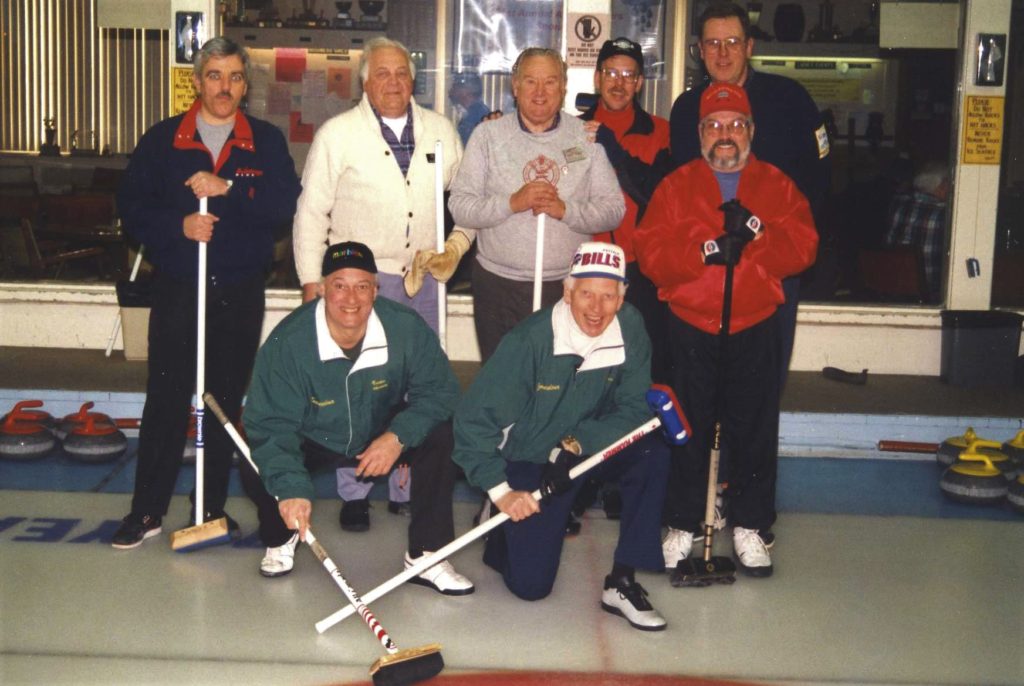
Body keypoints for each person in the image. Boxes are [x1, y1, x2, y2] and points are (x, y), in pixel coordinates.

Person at [111, 37, 301, 549]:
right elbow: (132, 208)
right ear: (197, 81)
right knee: (166, 397)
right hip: (179, 286)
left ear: (245, 84)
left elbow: (284, 205)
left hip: (239, 290)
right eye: (214, 76)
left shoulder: (265, 141)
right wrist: (178, 227)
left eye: (234, 77)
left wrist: (229, 190)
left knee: (223, 400)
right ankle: (146, 510)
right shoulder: (163, 139)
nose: (224, 87)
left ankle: (209, 507)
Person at [635, 83, 818, 577]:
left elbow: (803, 248)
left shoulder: (777, 185)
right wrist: (705, 252)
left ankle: (751, 525)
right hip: (691, 326)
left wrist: (755, 233)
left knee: (754, 428)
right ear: (700, 133)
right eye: (714, 125)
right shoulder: (677, 186)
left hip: (753, 324)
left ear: (751, 131)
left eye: (736, 125)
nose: (725, 134)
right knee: (685, 427)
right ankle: (682, 522)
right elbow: (651, 254)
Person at [291, 37, 471, 530]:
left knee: (419, 388)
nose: (394, 82)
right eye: (383, 74)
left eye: (402, 73)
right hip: (359, 285)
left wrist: (456, 246)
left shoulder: (440, 131)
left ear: (413, 81)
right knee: (358, 388)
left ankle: (405, 485)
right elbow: (311, 212)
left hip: (425, 283)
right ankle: (354, 490)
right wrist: (311, 281)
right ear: (365, 82)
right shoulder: (338, 134)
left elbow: (469, 201)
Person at [453, 241, 670, 631]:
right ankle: (501, 525)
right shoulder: (530, 341)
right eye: (586, 293)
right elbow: (472, 422)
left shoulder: (630, 326)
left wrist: (575, 443)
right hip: (532, 456)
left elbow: (637, 408)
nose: (596, 308)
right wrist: (501, 491)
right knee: (530, 586)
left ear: (621, 299)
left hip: (587, 450)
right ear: (567, 292)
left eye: (608, 296)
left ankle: (622, 581)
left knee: (652, 452)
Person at [241, 241, 474, 595]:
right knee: (253, 455)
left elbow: (441, 392)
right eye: (340, 285)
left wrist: (397, 437)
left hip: (379, 427)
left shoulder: (405, 328)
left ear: (376, 290)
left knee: (443, 434)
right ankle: (281, 535)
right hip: (314, 433)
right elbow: (271, 425)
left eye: (362, 286)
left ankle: (427, 555)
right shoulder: (288, 342)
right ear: (322, 289)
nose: (351, 298)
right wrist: (291, 489)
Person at [669, 1, 831, 390]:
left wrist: (788, 245)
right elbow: (679, 190)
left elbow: (820, 177)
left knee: (761, 387)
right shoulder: (687, 109)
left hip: (770, 264)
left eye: (732, 42)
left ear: (750, 46)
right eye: (712, 43)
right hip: (707, 265)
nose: (722, 53)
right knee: (702, 386)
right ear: (700, 50)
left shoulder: (790, 99)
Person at [448, 47, 625, 362]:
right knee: (503, 379)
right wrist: (512, 203)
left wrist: (566, 211)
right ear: (515, 87)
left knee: (556, 380)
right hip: (497, 287)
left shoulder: (587, 137)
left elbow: (614, 210)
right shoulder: (487, 136)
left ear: (563, 87)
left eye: (550, 82)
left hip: (567, 287)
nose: (540, 92)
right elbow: (460, 206)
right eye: (530, 81)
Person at [884, 161, 950, 303]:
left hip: (891, 287)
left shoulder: (897, 203)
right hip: (931, 294)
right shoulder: (944, 215)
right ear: (943, 186)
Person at [449, 72, 490, 147]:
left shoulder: (477, 116)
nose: (451, 90)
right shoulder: (474, 113)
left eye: (455, 86)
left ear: (466, 91)